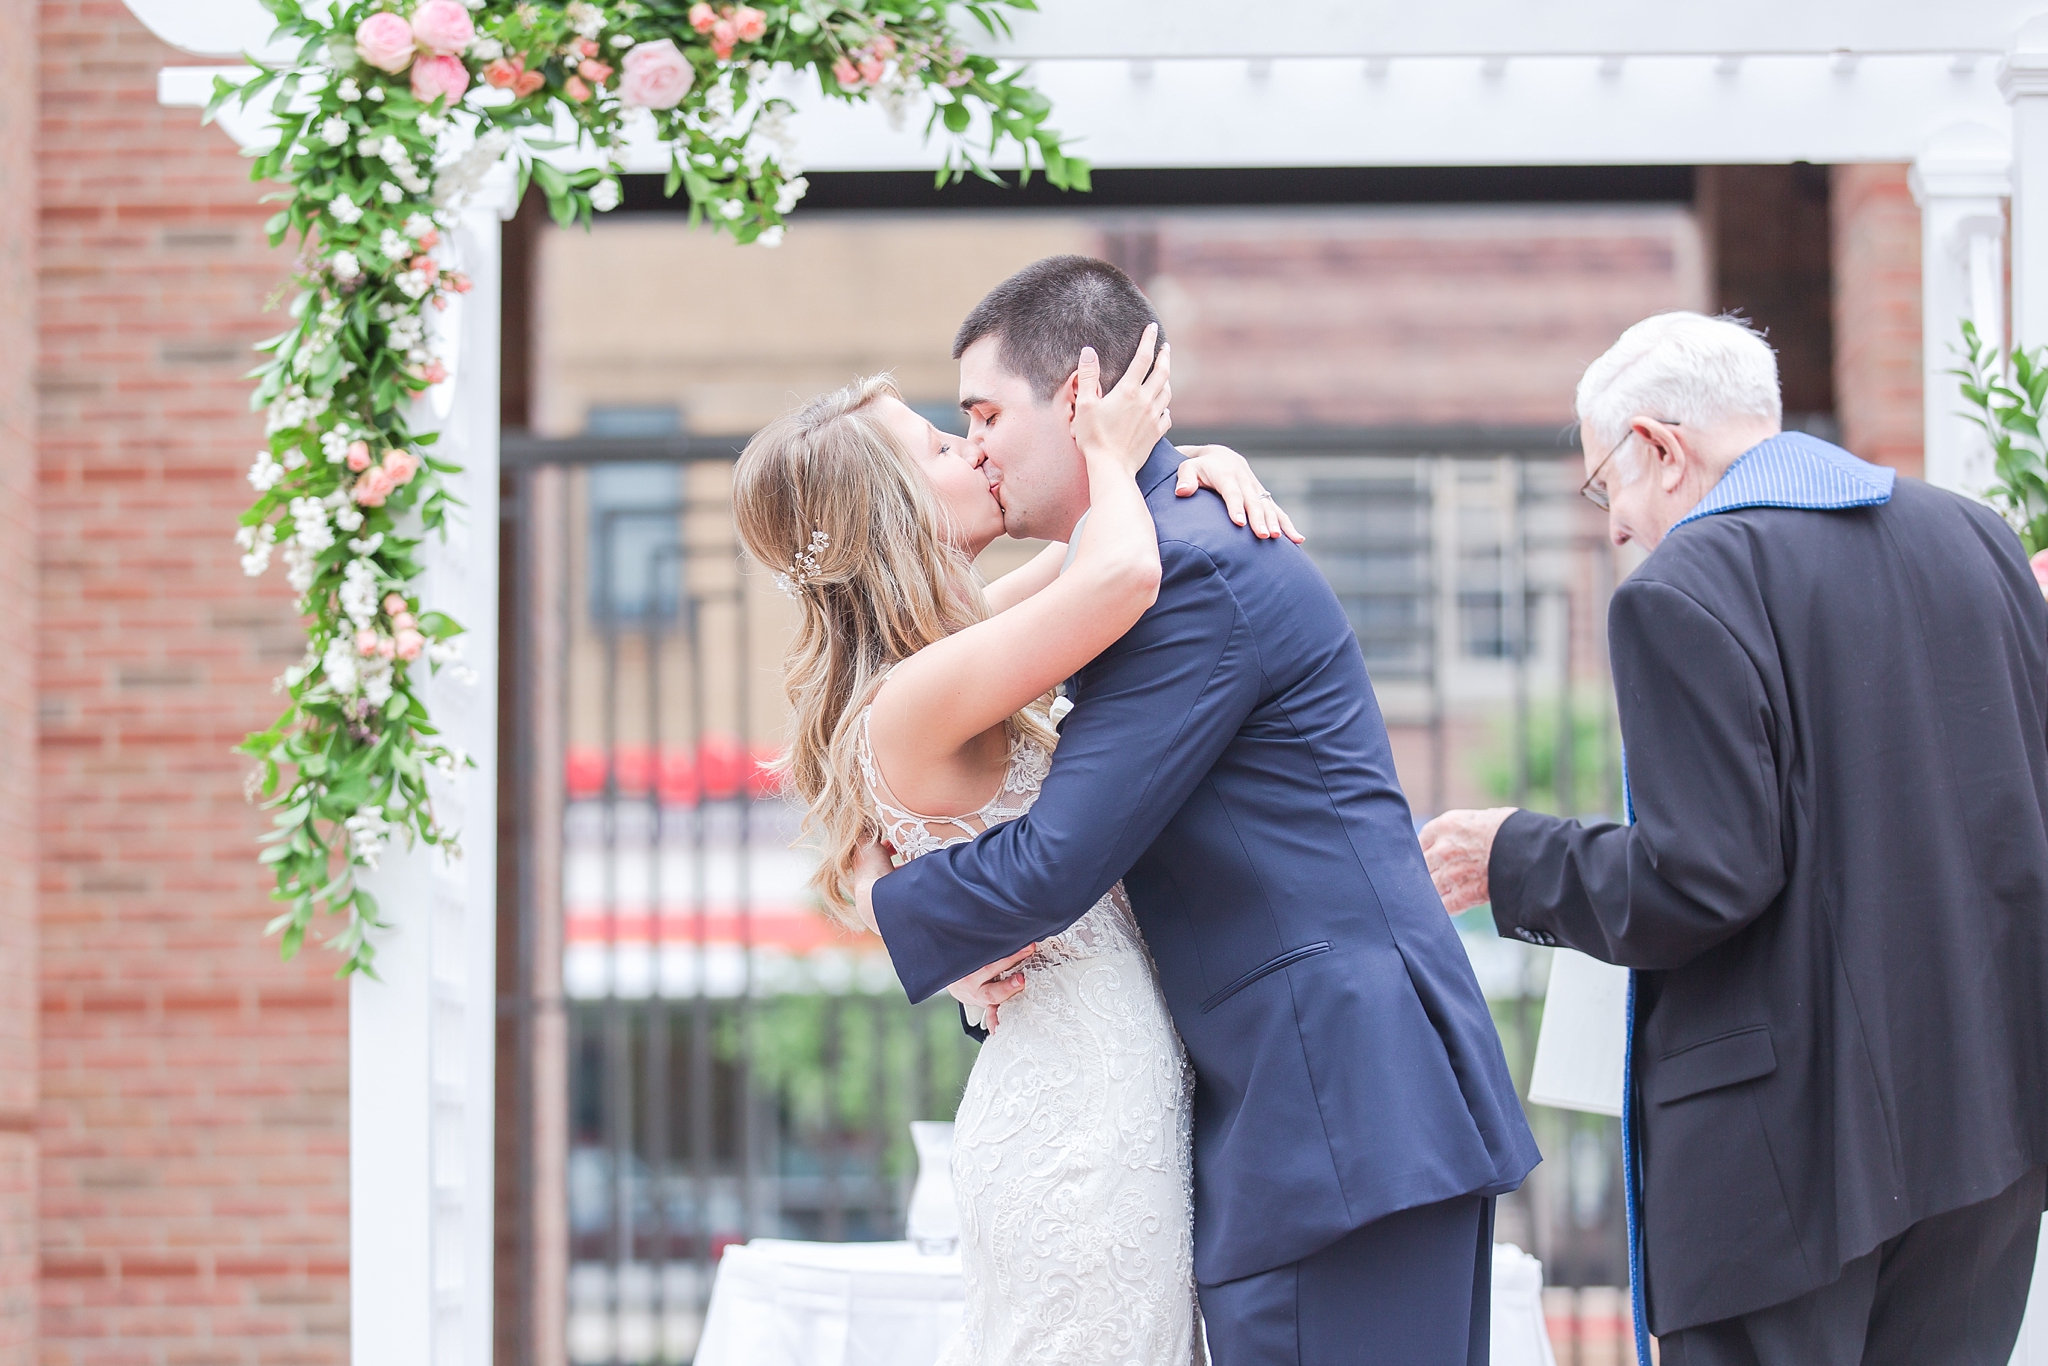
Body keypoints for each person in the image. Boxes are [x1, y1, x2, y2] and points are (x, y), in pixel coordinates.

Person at [854, 255, 1539, 1366]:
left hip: (1335, 1113)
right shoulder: (1144, 557)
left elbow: (1055, 861)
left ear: (1078, 397)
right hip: (1301, 1114)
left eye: (982, 413)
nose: (972, 442)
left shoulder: (1188, 575)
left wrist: (880, 901)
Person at [1419, 312, 2048, 1366]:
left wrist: (1511, 857)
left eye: (1602, 485)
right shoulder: (1975, 539)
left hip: (1784, 1164)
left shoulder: (1684, 588)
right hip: (1987, 1127)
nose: (1614, 525)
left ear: (1659, 450)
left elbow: (1701, 875)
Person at [734, 328, 1299, 1364]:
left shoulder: (941, 659)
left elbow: (1085, 556)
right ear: (893, 513)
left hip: (1103, 1098)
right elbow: (1118, 571)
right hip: (1074, 1128)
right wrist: (1121, 461)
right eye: (943, 447)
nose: (974, 449)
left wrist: (1191, 472)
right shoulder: (920, 692)